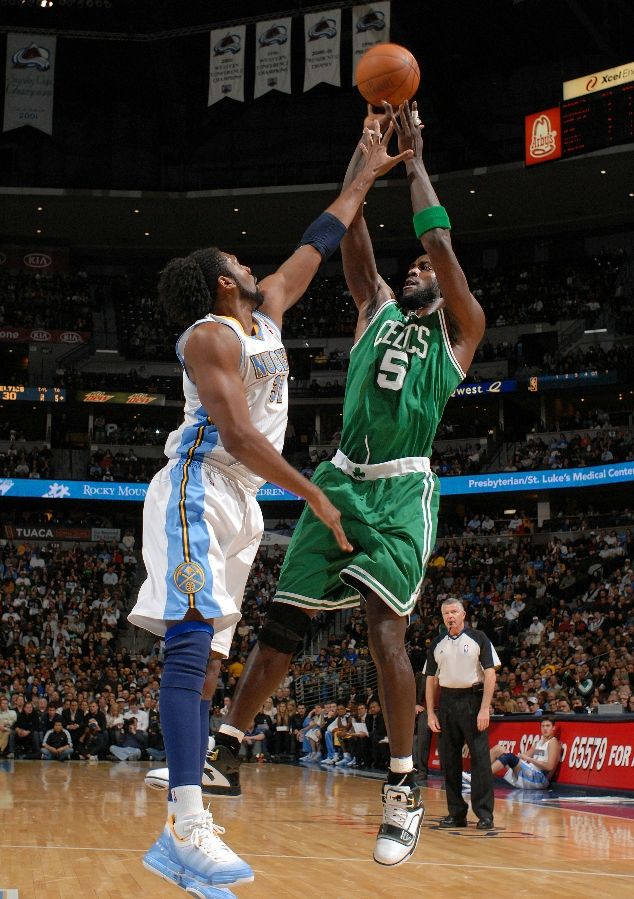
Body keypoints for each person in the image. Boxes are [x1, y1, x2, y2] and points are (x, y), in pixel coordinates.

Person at [200, 99, 486, 868]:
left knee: (384, 630)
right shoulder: (375, 307)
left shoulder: (460, 334)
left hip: (400, 493)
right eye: (414, 268)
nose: (418, 268)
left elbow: (438, 238)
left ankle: (401, 789)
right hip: (340, 478)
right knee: (281, 629)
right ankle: (225, 747)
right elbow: (352, 227)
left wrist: (417, 157)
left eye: (427, 268)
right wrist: (364, 154)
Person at [132, 120, 411, 897]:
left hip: (244, 503)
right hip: (198, 486)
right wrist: (313, 490)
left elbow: (323, 234)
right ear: (223, 281)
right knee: (190, 647)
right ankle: (186, 824)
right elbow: (238, 433)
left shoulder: (270, 310)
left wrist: (368, 158)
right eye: (238, 262)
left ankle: (187, 816)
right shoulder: (209, 336)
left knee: (212, 659)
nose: (253, 265)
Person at [425, 598, 500, 830]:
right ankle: (456, 813)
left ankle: (485, 814)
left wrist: (484, 708)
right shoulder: (437, 643)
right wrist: (430, 713)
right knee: (449, 761)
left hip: (472, 700)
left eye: (454, 611)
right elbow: (430, 681)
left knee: (480, 760)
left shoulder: (479, 638)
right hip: (447, 702)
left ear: (463, 614)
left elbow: (490, 675)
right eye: (446, 613)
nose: (451, 616)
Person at [464, 715, 561, 791]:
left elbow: (550, 767)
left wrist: (530, 759)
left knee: (509, 757)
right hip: (530, 773)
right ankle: (474, 774)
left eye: (548, 726)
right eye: (543, 726)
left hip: (540, 779)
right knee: (499, 749)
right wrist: (516, 756)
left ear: (553, 728)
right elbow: (524, 756)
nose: (545, 729)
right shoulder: (539, 742)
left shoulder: (553, 742)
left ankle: (478, 780)